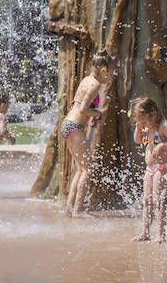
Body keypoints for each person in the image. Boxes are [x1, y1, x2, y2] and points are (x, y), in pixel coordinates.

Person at [61, 49, 116, 218]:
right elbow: (84, 109)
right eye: (111, 73)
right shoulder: (95, 84)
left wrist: (93, 114)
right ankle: (77, 211)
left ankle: (69, 209)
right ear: (103, 70)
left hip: (68, 124)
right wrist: (98, 114)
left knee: (80, 169)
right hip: (75, 126)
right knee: (87, 169)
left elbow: (76, 105)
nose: (111, 77)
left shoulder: (86, 80)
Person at [130, 97, 167, 243]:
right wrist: (139, 128)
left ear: (153, 114)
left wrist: (162, 146)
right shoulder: (148, 126)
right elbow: (138, 141)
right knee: (147, 201)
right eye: (139, 122)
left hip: (162, 168)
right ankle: (145, 232)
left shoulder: (163, 126)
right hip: (150, 168)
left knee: (159, 200)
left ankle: (160, 234)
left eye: (144, 122)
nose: (142, 125)